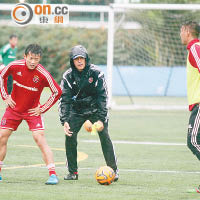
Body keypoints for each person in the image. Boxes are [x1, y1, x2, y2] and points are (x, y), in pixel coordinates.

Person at [0, 44, 62, 185]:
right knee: (1, 136)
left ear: (40, 59)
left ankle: (53, 174)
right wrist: (5, 96)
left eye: (36, 59)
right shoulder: (14, 66)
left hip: (32, 111)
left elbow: (57, 91)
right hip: (14, 108)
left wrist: (42, 108)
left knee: (39, 138)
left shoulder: (43, 73)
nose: (33, 62)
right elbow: (2, 76)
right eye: (31, 58)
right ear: (25, 56)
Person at [59, 45, 118, 181]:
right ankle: (73, 173)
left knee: (104, 135)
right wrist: (65, 121)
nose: (79, 61)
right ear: (72, 61)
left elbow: (103, 97)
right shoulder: (68, 76)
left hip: (96, 110)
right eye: (76, 59)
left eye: (82, 58)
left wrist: (101, 119)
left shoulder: (96, 73)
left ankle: (113, 171)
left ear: (86, 59)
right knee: (70, 136)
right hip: (77, 111)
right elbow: (65, 99)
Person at [180, 21, 200, 192]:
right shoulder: (193, 49)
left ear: (187, 31)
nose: (180, 35)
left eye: (181, 31)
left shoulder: (195, 48)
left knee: (193, 141)